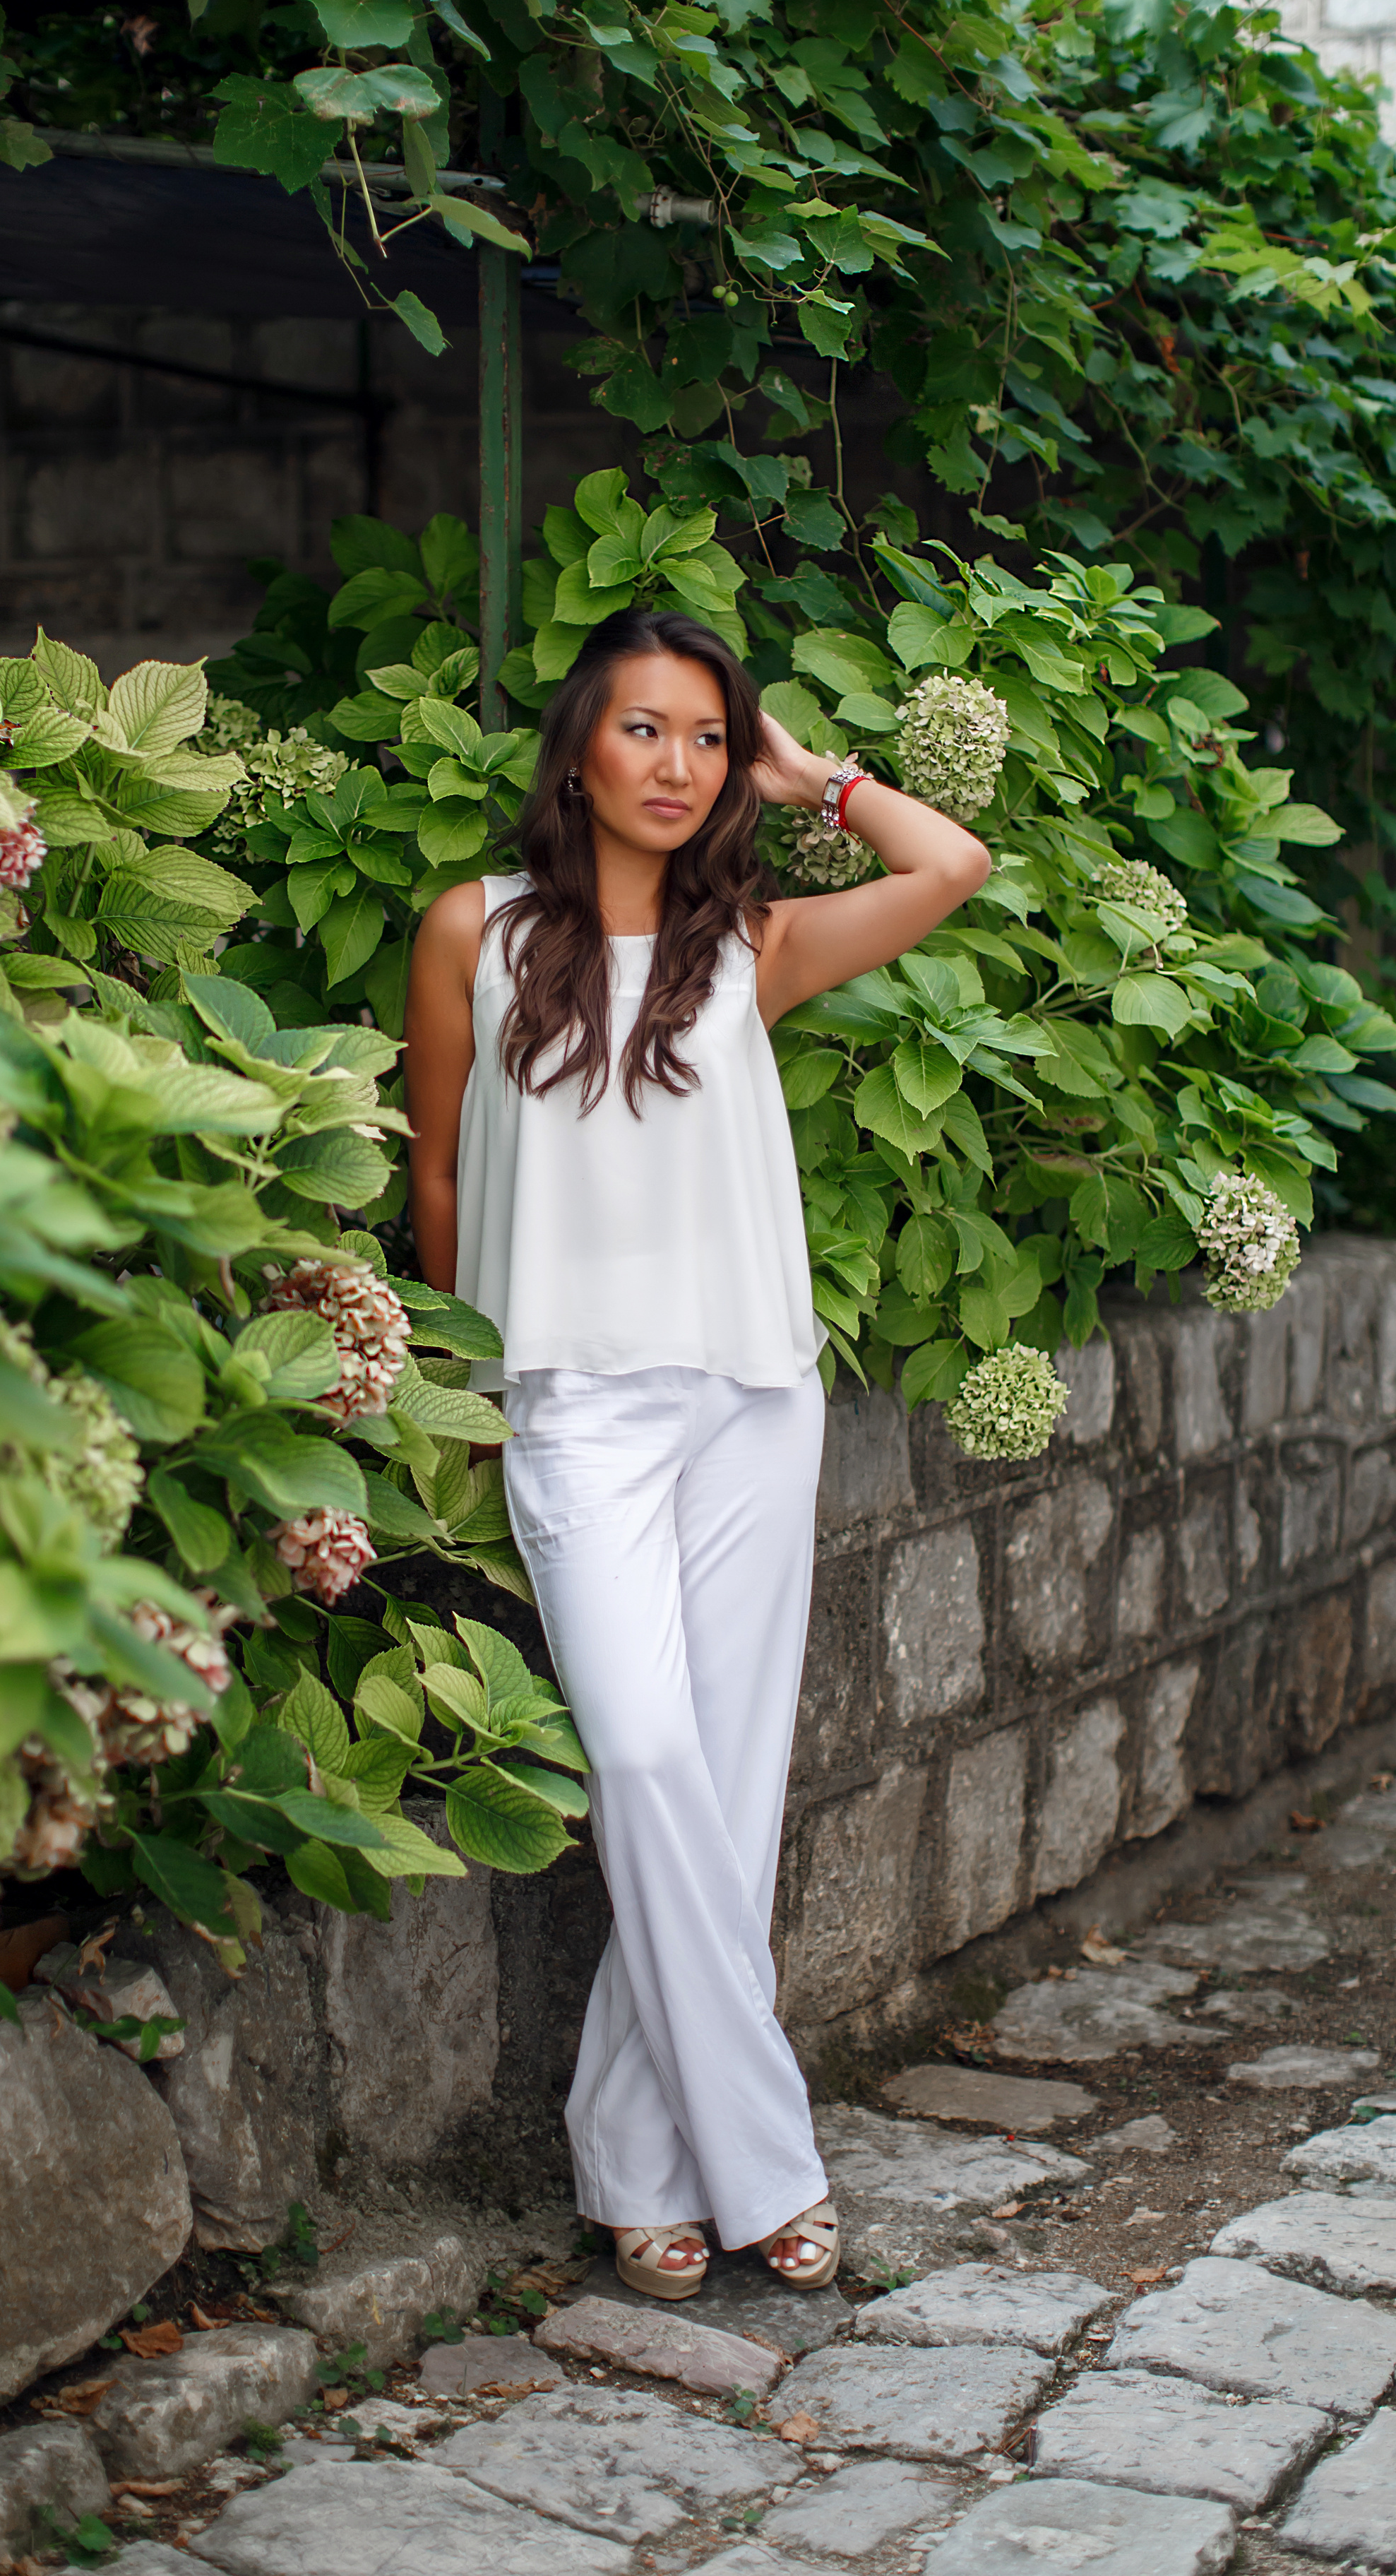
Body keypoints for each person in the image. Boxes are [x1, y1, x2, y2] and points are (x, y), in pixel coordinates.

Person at [403, 607, 991, 2298]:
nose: (677, 765)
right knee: (649, 1759)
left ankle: (637, 2170)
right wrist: (459, 1385)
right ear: (579, 746)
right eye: (644, 730)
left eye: (708, 738)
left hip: (747, 1398)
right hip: (572, 1406)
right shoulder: (475, 933)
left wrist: (823, 775)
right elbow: (436, 1172)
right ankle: (770, 2164)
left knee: (723, 1804)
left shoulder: (756, 946)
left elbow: (948, 863)